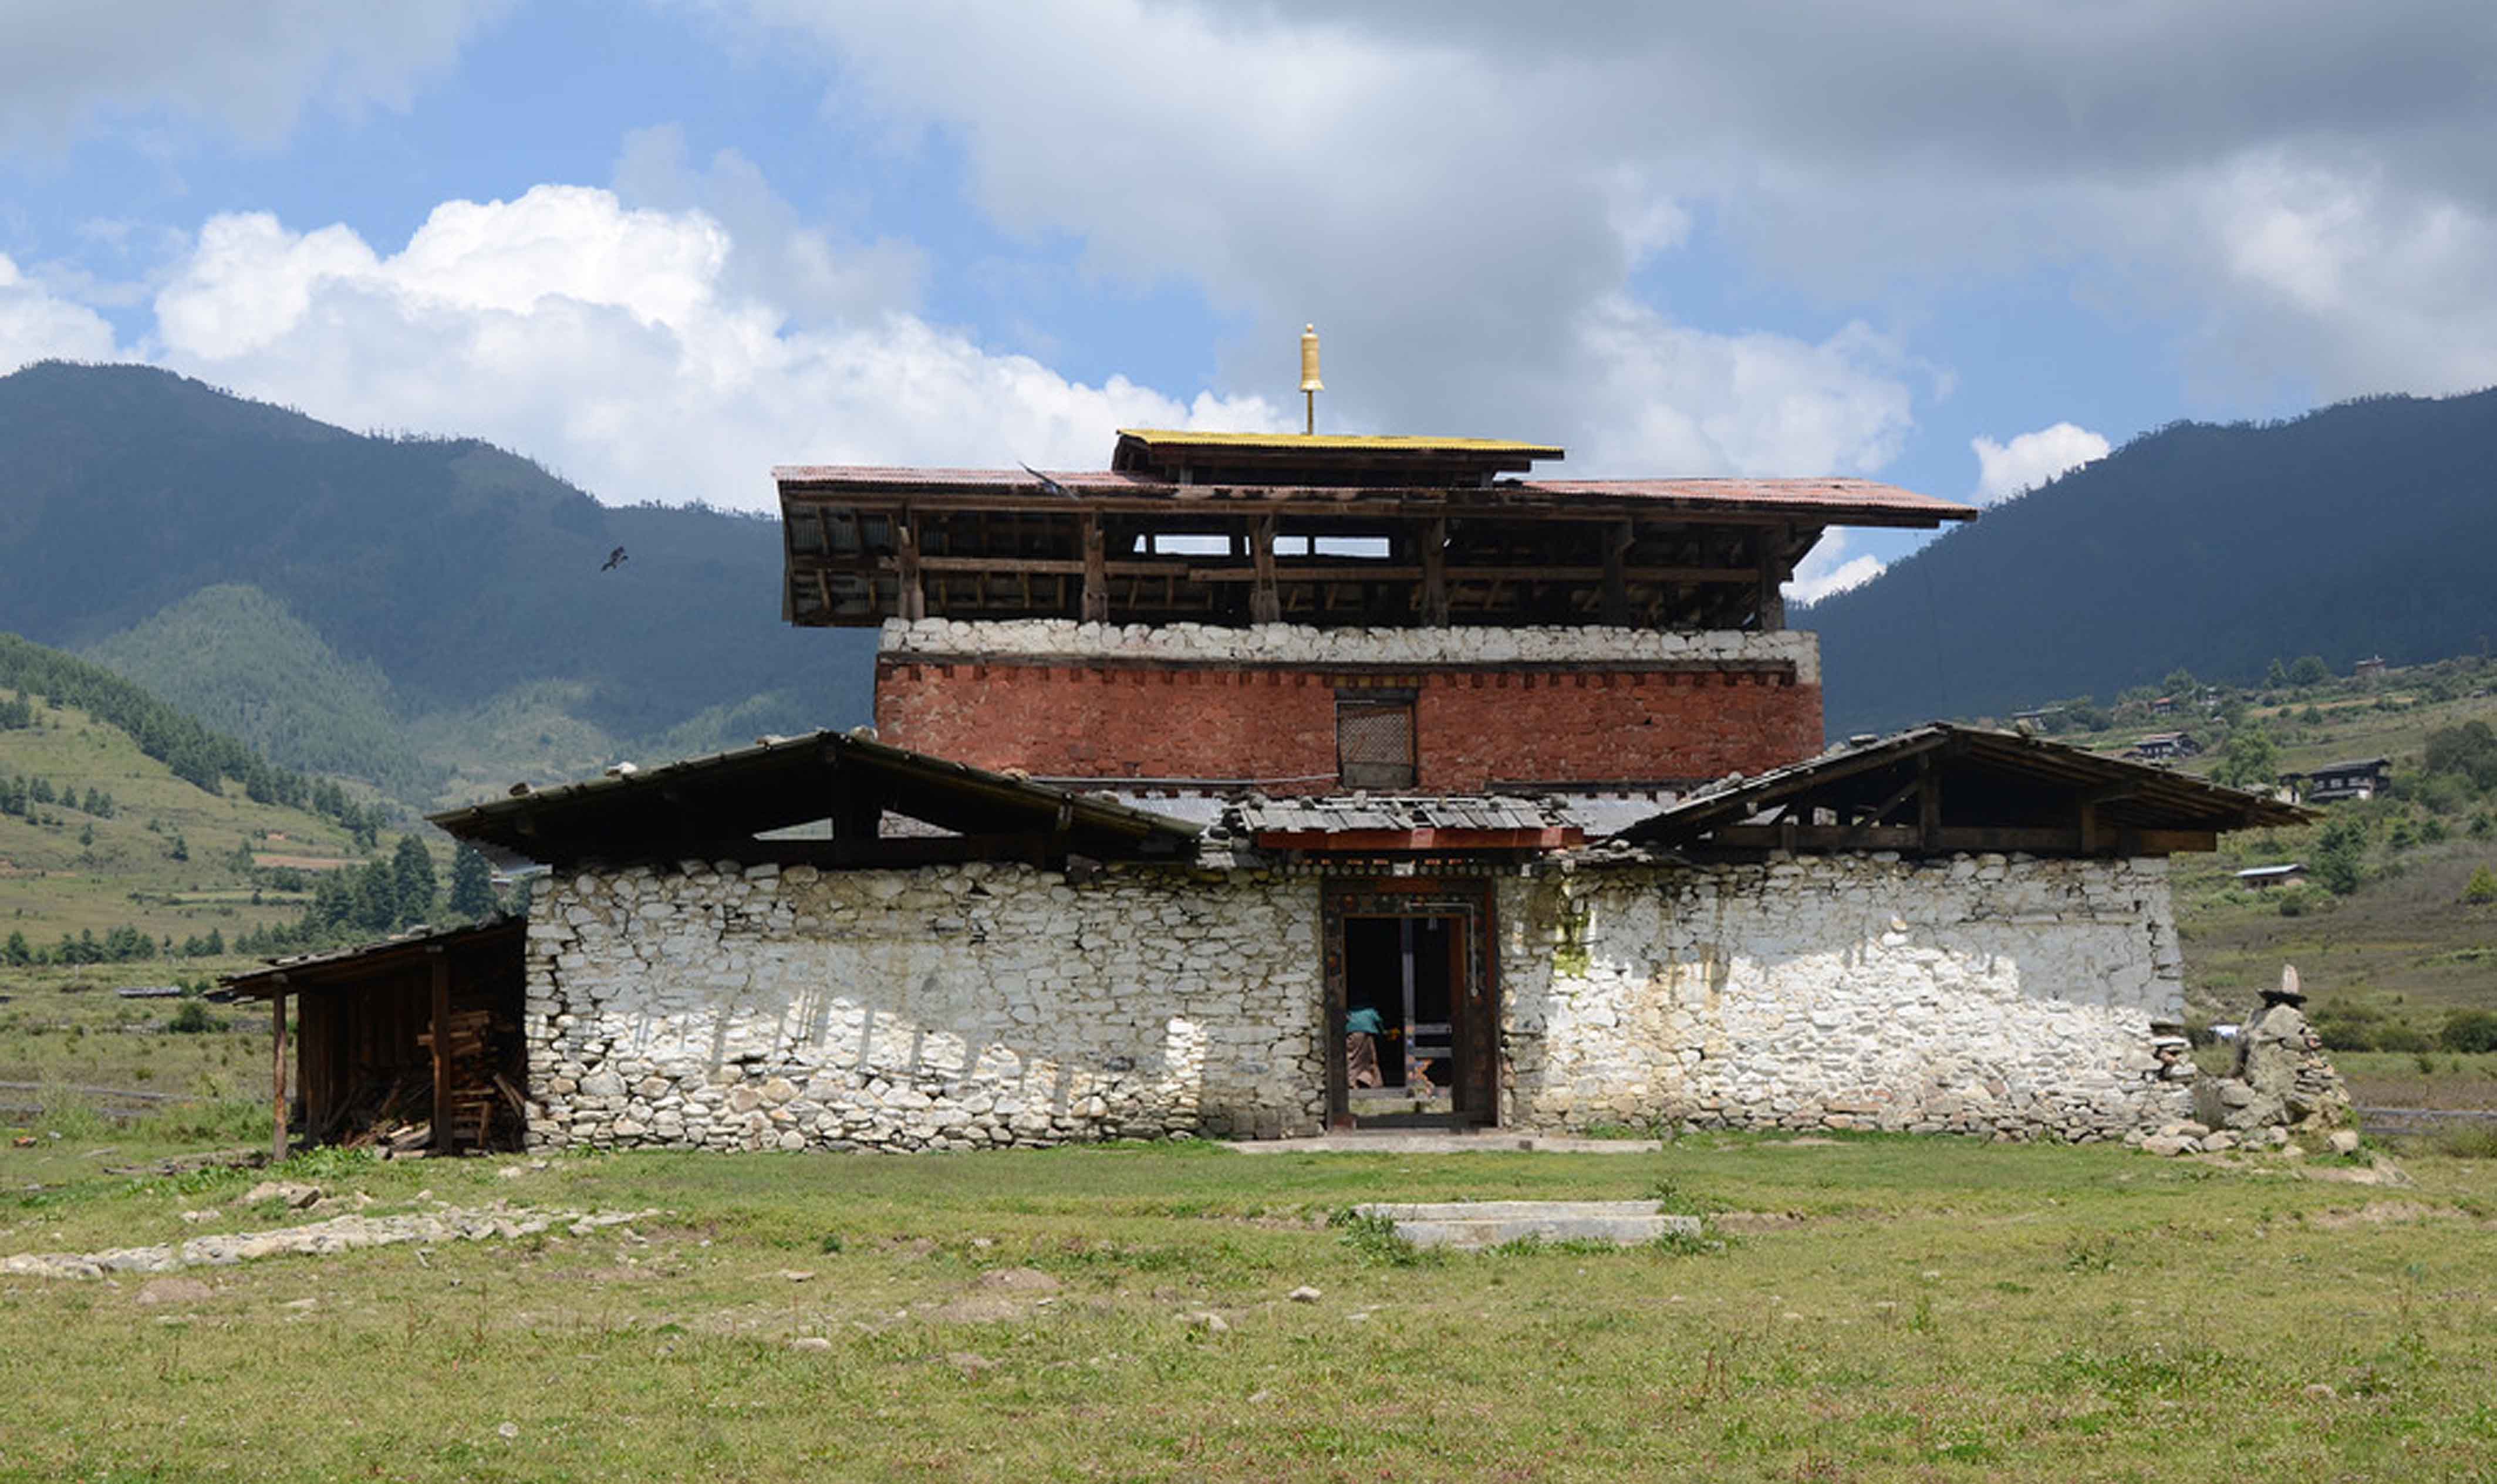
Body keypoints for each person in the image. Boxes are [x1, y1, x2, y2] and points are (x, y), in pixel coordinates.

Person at [1345, 1005, 1385, 1089]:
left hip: (1353, 1035)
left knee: (1352, 1058)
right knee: (1369, 1060)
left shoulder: (1350, 1011)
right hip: (1368, 1035)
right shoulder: (1371, 1011)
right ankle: (1372, 1081)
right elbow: (1379, 1022)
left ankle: (1354, 1081)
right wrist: (1383, 1033)